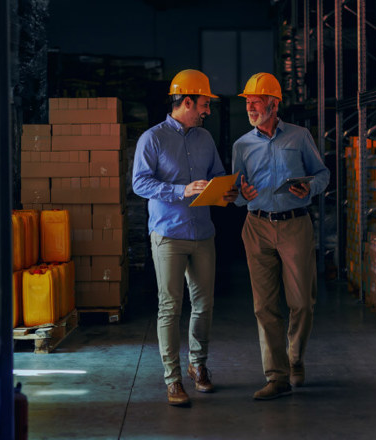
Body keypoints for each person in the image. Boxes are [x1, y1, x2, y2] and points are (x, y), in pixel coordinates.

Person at [132, 69, 238, 406]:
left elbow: (217, 176)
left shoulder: (205, 139)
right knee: (170, 307)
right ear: (187, 101)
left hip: (203, 232)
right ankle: (173, 379)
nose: (207, 110)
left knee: (203, 305)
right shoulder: (153, 138)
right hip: (168, 234)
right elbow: (140, 183)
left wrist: (226, 192)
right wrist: (181, 190)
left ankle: (198, 366)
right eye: (204, 104)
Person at [232, 72, 330, 400]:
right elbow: (236, 193)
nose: (250, 106)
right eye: (247, 102)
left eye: (256, 101)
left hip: (294, 224)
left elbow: (322, 173)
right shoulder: (241, 145)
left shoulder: (300, 137)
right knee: (264, 306)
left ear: (274, 104)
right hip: (256, 226)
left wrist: (310, 187)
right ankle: (277, 376)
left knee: (302, 301)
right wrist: (241, 193)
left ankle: (295, 357)